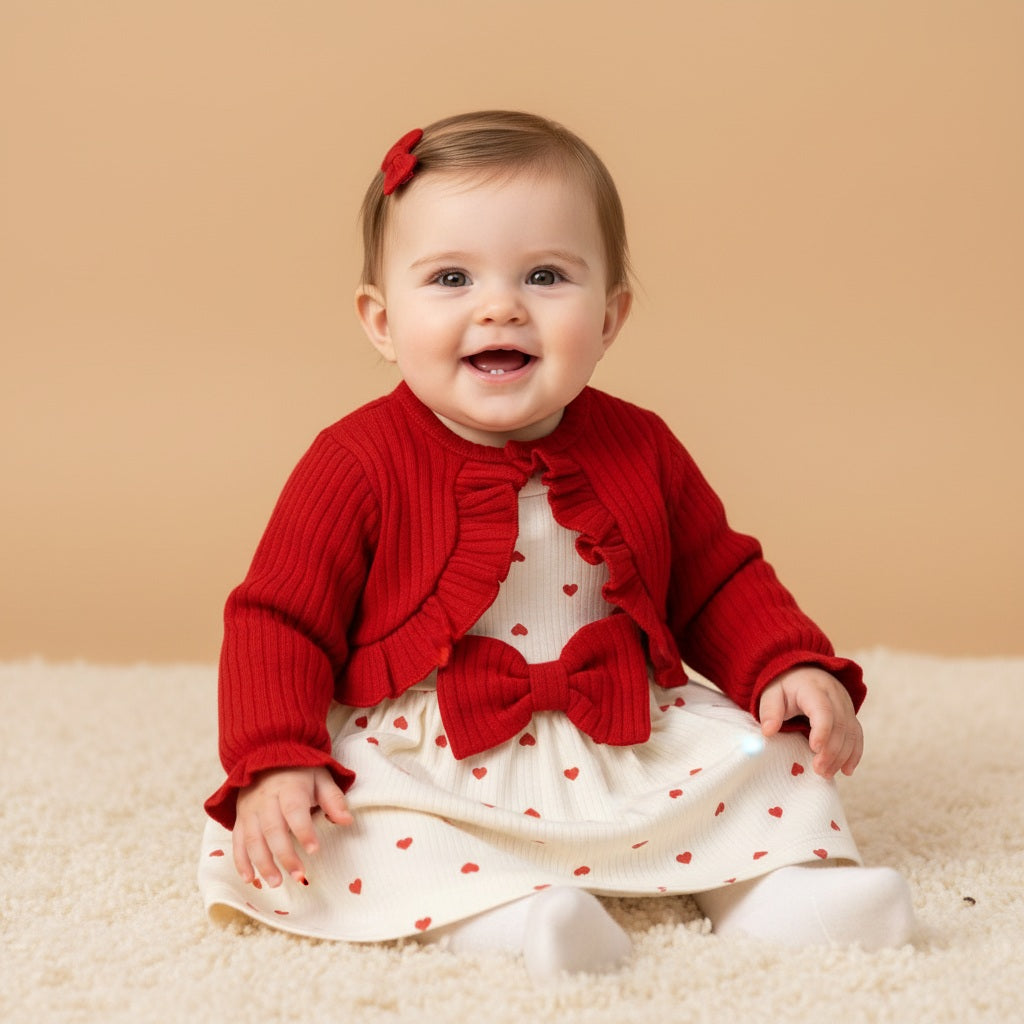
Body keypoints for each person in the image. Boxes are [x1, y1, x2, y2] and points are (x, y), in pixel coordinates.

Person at [198, 110, 915, 982]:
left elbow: (716, 576)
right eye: (452, 278)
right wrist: (275, 756)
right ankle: (511, 920)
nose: (501, 306)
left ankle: (776, 894)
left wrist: (783, 663)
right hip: (435, 748)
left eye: (545, 275)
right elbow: (279, 618)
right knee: (333, 821)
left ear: (610, 318)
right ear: (381, 322)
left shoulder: (641, 444)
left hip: (627, 725)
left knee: (772, 754)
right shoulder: (355, 461)